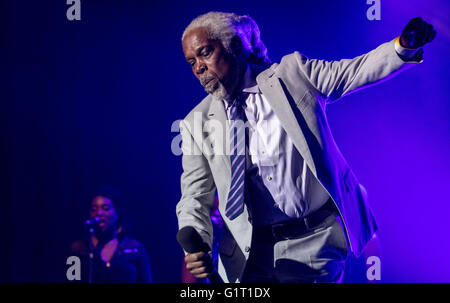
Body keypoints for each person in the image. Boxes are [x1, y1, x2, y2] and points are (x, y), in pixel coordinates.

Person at [176, 12, 435, 283]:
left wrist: (401, 47)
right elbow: (193, 196)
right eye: (191, 62)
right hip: (248, 254)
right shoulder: (196, 123)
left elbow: (351, 73)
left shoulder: (292, 75)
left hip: (314, 244)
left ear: (236, 46)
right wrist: (196, 242)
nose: (198, 68)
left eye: (205, 53)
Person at [70, 186, 152, 282]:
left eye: (105, 208)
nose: (99, 213)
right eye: (94, 209)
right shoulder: (78, 249)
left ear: (117, 213)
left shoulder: (135, 248)